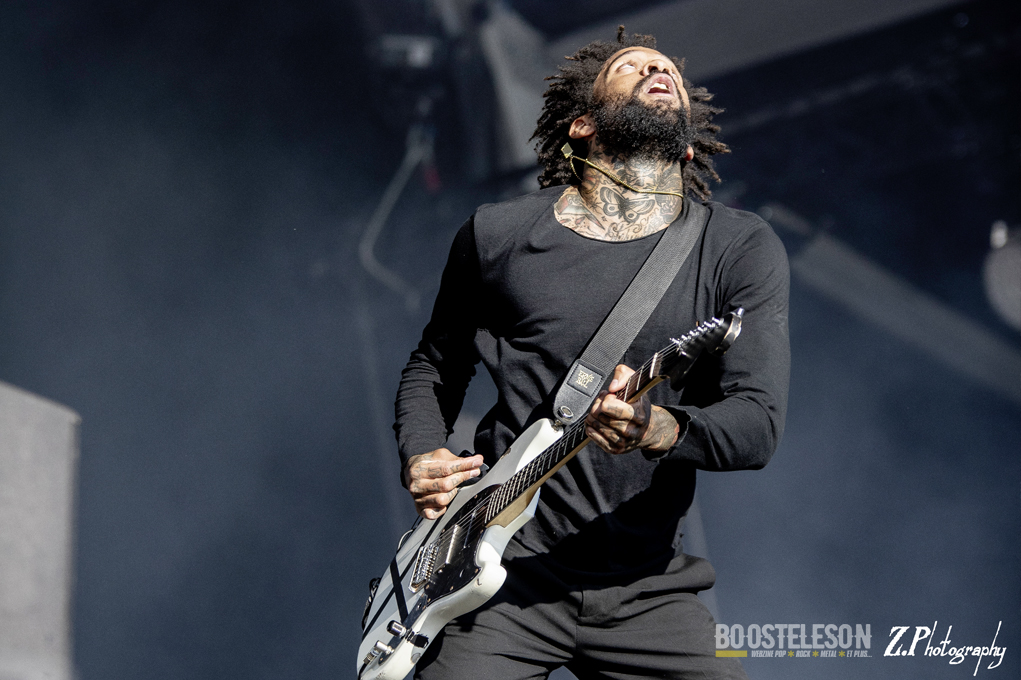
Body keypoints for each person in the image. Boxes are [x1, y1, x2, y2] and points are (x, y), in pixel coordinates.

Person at [393, 27, 790, 680]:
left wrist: (658, 428)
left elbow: (757, 423)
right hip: (500, 576)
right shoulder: (497, 234)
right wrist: (421, 452)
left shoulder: (736, 247)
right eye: (632, 66)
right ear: (582, 124)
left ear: (688, 143)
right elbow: (435, 366)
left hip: (646, 587)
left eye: (668, 71)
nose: (658, 70)